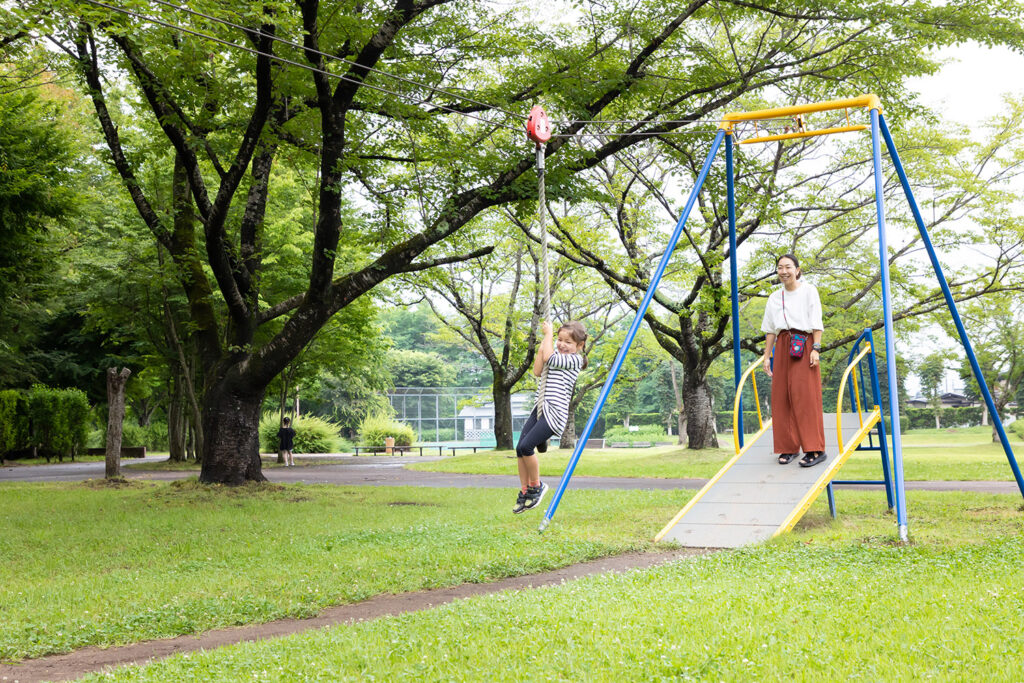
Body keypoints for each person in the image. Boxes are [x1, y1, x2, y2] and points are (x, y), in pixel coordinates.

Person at [513, 320, 587, 513]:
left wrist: (548, 335)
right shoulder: (554, 355)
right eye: (559, 340)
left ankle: (537, 486)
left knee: (526, 447)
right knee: (520, 449)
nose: (562, 344)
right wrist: (542, 347)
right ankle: (525, 490)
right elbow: (538, 371)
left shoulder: (575, 361)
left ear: (580, 345)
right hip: (540, 408)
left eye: (568, 342)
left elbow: (549, 358)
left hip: (554, 414)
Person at [760, 254, 827, 467]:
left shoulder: (809, 291)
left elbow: (816, 321)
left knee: (805, 396)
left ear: (797, 270)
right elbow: (770, 329)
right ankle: (788, 448)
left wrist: (816, 348)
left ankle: (815, 449)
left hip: (804, 342)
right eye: (780, 267)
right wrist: (767, 356)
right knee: (781, 396)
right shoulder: (774, 297)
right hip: (783, 344)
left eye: (788, 267)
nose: (784, 271)